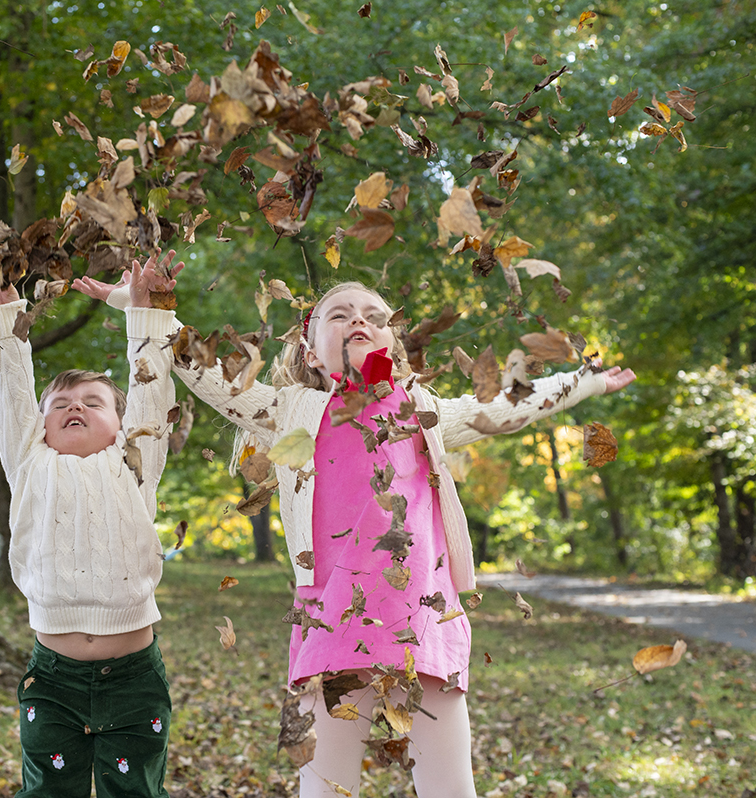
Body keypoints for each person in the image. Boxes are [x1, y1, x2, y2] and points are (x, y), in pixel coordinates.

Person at [80, 274, 636, 798]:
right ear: (309, 346)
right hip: (331, 628)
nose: (359, 322)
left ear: (392, 340)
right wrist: (146, 310)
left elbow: (503, 406)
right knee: (325, 787)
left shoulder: (422, 409)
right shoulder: (291, 410)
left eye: (373, 315)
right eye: (340, 315)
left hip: (422, 622)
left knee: (450, 788)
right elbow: (207, 376)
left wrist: (579, 381)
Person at [0, 255, 181, 798]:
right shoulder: (31, 463)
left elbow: (152, 388)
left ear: (122, 424)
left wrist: (147, 315)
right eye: (59, 404)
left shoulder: (134, 460)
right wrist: (5, 316)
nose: (74, 407)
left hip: (134, 679)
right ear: (41, 426)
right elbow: (11, 396)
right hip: (52, 679)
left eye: (92, 402)